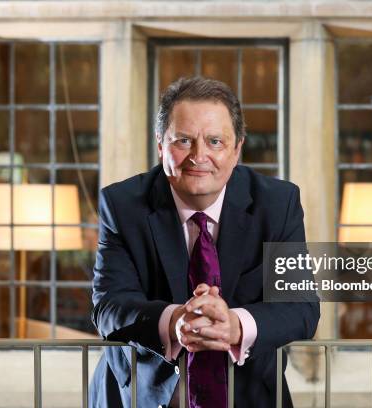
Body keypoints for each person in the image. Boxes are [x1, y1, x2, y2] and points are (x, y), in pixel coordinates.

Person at [89, 76, 320, 408]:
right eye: (183, 140)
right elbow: (109, 307)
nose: (198, 156)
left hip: (248, 394)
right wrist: (174, 321)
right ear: (159, 144)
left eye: (215, 141)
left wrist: (236, 326)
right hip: (139, 394)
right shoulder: (123, 205)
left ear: (238, 148)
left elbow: (302, 308)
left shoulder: (277, 205)